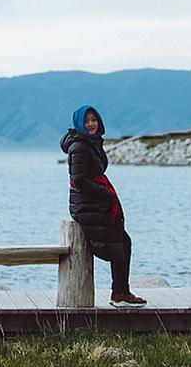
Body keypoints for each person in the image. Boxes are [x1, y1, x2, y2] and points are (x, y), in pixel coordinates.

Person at [60, 105, 146, 308]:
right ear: (79, 123)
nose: (91, 124)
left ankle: (120, 292)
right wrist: (106, 193)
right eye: (86, 121)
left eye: (94, 120)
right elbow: (79, 180)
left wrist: (105, 195)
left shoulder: (92, 143)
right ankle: (120, 293)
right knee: (120, 240)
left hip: (93, 203)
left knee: (123, 240)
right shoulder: (79, 146)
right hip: (85, 205)